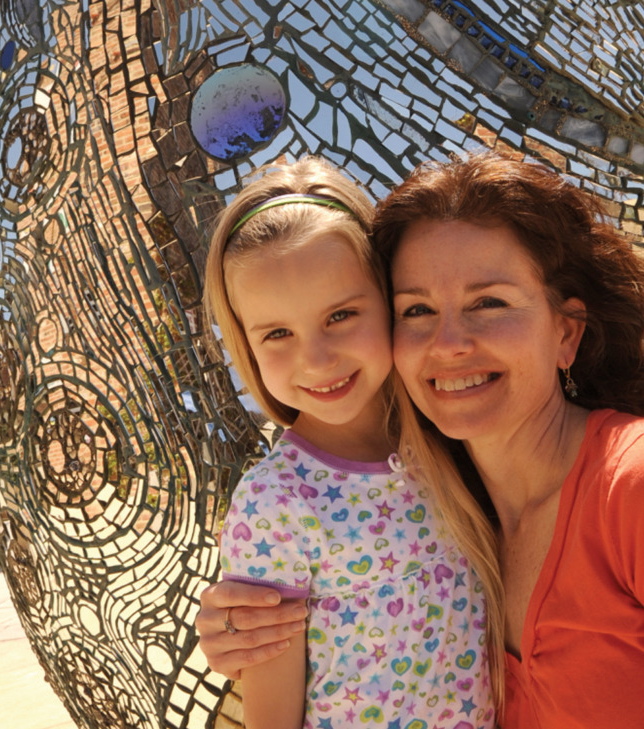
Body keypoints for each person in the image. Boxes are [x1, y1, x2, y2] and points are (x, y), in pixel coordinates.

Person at [197, 150, 644, 728]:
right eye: (417, 309)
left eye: (489, 302)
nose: (449, 343)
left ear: (566, 331)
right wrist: (244, 628)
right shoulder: (453, 506)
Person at [202, 156, 498, 729]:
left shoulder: (454, 438)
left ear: (388, 297)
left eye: (340, 315)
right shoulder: (275, 505)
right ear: (246, 346)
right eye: (278, 333)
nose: (316, 359)